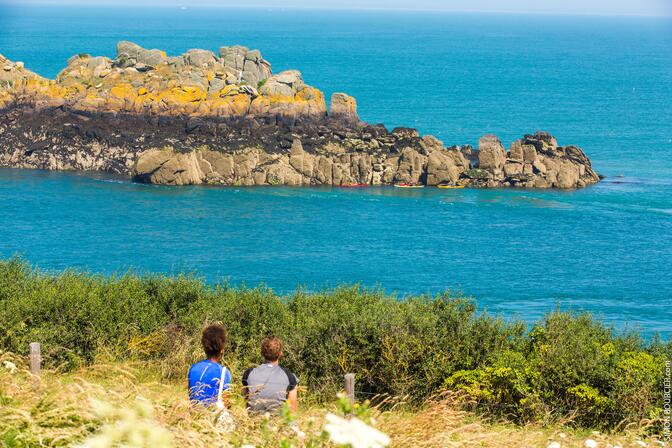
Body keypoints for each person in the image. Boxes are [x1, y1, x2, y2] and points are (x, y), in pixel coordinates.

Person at [242, 336, 299, 414]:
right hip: (278, 423)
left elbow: (247, 403)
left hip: (253, 422)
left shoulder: (248, 373)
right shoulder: (290, 376)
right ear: (280, 354)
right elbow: (292, 408)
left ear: (261, 353)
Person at [188, 323, 231, 408]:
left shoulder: (193, 369)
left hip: (195, 417)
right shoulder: (224, 372)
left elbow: (191, 397)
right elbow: (226, 404)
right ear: (222, 349)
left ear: (204, 347)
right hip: (212, 418)